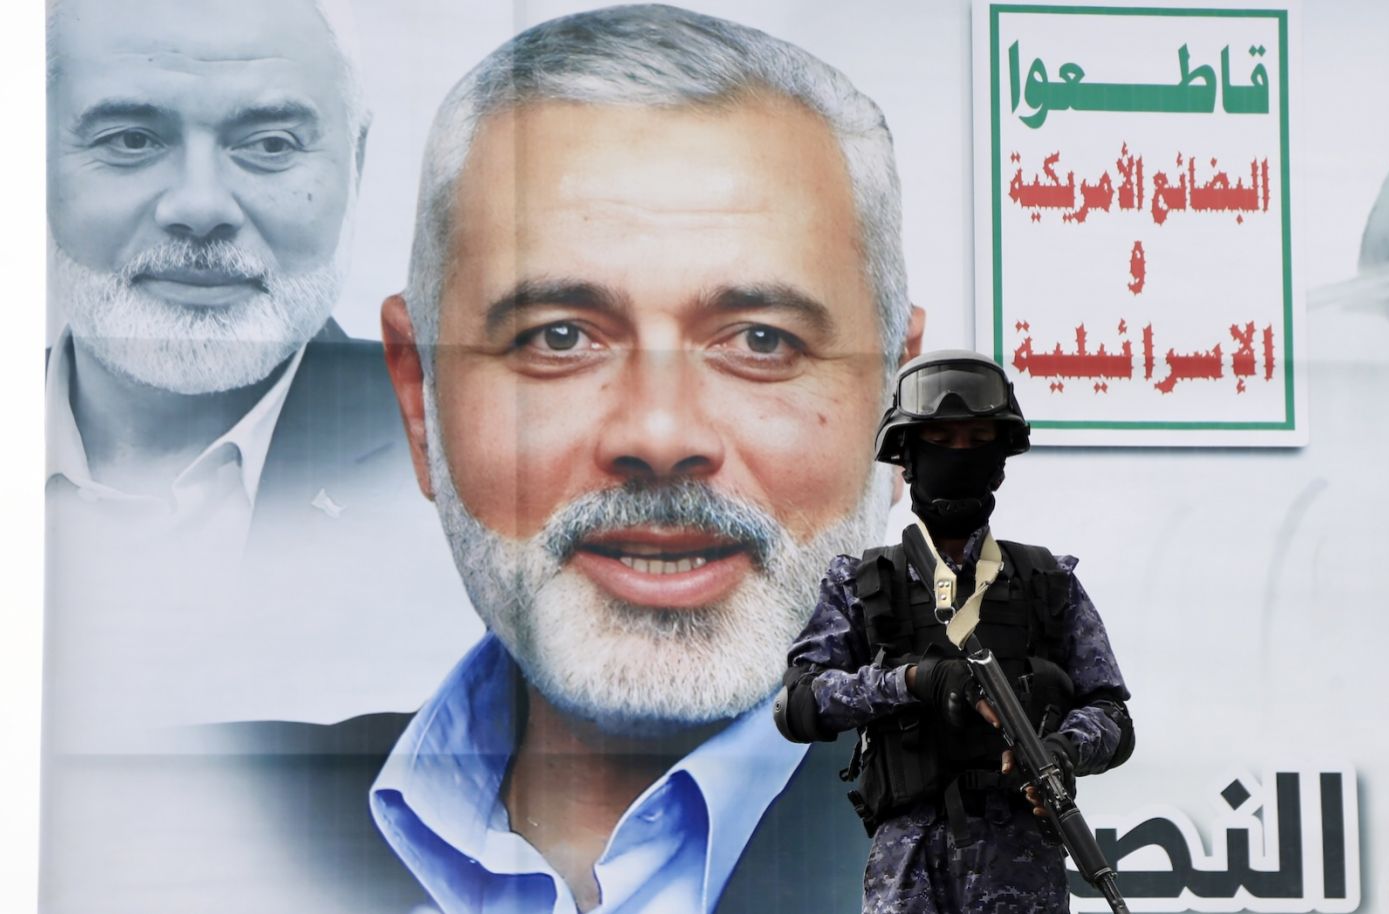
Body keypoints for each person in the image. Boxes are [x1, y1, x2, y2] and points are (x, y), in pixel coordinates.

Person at [191, 6, 927, 913]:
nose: (660, 434)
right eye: (562, 336)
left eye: (762, 340)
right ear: (421, 405)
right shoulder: (186, 820)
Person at [41, 0, 469, 732]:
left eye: (270, 144)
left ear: (356, 164)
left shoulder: (475, 461)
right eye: (131, 139)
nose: (200, 207)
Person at [779, 350, 1136, 913]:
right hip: (908, 866)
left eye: (977, 440)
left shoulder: (1048, 581)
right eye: (942, 438)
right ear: (908, 459)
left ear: (999, 460)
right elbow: (800, 705)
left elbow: (1112, 716)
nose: (960, 454)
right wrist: (915, 681)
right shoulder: (862, 582)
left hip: (1022, 865)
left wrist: (1064, 750)